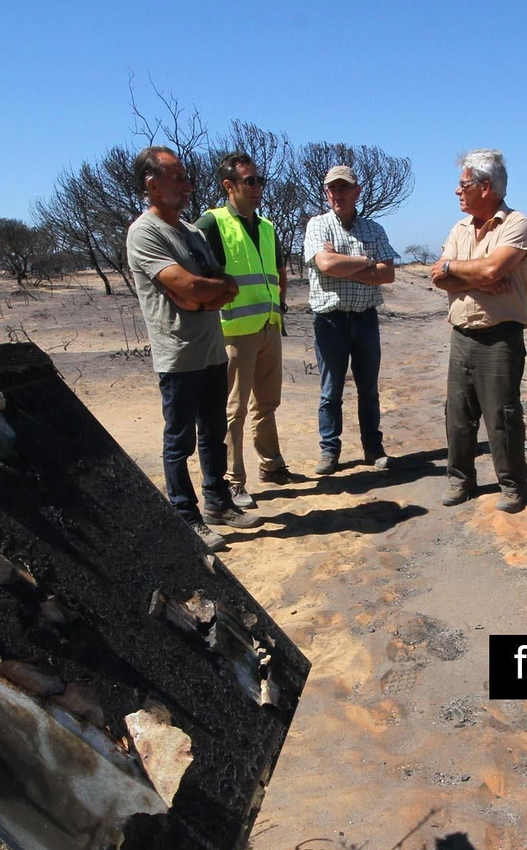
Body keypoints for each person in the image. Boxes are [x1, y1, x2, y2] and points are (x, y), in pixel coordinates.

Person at [125, 145, 263, 551]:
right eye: (177, 178)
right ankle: (185, 516)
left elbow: (223, 285)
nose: (188, 185)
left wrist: (202, 296)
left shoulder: (193, 232)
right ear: (152, 185)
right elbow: (186, 287)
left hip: (211, 349)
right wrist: (200, 293)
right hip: (179, 354)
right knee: (179, 439)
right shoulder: (145, 232)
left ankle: (217, 504)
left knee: (213, 432)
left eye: (186, 177)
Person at [429, 150, 527, 513]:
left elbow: (493, 270)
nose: (456, 192)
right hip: (461, 335)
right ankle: (460, 481)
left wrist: (457, 272)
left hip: (500, 338)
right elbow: (437, 277)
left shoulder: (516, 224)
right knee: (458, 415)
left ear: (485, 187)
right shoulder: (458, 228)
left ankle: (512, 486)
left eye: (463, 184)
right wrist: (465, 276)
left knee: (502, 416)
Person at [195, 151, 290, 510]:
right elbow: (198, 276)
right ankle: (234, 482)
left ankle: (272, 464)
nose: (257, 187)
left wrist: (279, 303)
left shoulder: (266, 227)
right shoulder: (211, 223)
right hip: (234, 331)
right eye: (250, 181)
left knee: (267, 403)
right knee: (233, 409)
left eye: (259, 180)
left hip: (268, 324)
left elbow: (279, 271)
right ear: (228, 186)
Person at [302, 164, 398, 476]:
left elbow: (388, 274)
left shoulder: (374, 229)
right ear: (326, 192)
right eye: (332, 188)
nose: (338, 194)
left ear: (357, 192)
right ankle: (329, 451)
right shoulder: (317, 226)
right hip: (330, 321)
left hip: (365, 319)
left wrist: (349, 264)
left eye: (344, 188)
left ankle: (373, 448)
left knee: (368, 388)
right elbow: (326, 264)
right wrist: (366, 261)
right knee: (331, 390)